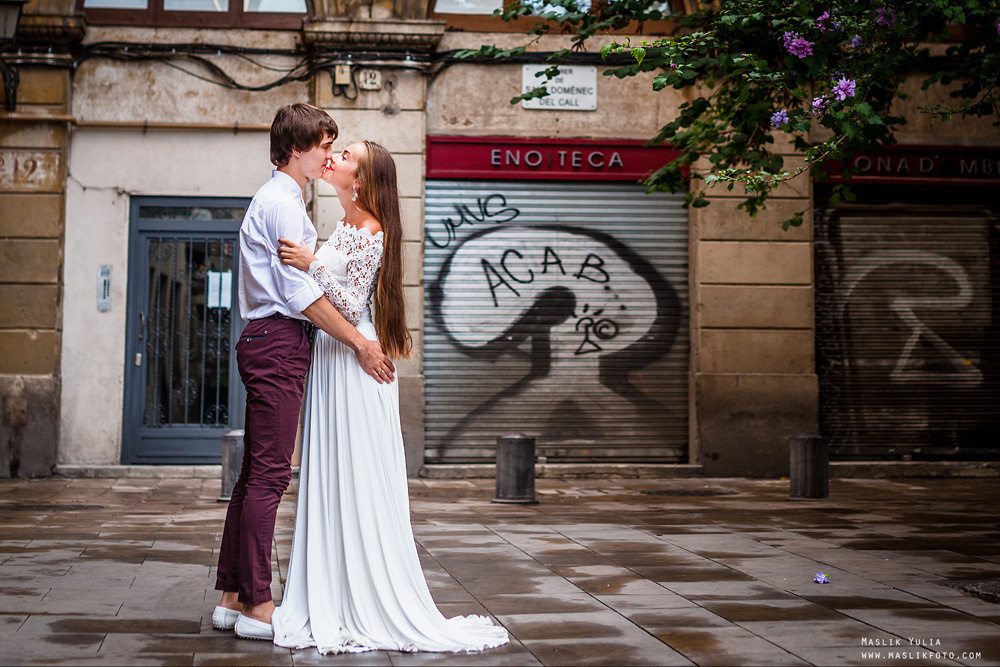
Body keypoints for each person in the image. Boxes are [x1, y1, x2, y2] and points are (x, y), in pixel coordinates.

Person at [270, 140, 509, 654]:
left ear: (359, 181)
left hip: (353, 360)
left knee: (356, 469)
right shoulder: (347, 224)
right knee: (334, 469)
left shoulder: (371, 231)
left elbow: (352, 304)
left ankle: (362, 595)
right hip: (336, 356)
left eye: (346, 156)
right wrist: (316, 263)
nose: (334, 157)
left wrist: (311, 264)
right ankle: (334, 587)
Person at [213, 104, 397, 642]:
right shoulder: (283, 204)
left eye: (337, 148)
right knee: (270, 475)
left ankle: (231, 597)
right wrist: (360, 342)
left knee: (254, 474)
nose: (329, 154)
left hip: (270, 340)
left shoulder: (285, 200)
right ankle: (258, 604)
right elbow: (301, 294)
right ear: (297, 149)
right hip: (278, 341)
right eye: (325, 145)